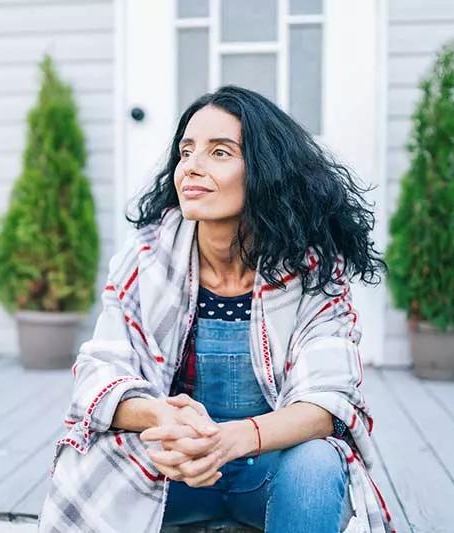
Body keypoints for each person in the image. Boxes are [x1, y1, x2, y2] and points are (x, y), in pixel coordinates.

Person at [38, 85, 394, 533]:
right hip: (171, 468)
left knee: (317, 461)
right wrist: (161, 416)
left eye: (220, 152)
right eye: (186, 152)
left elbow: (328, 401)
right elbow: (98, 373)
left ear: (265, 172)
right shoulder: (145, 259)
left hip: (263, 469)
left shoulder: (311, 272)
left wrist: (231, 440)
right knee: (88, 457)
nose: (192, 168)